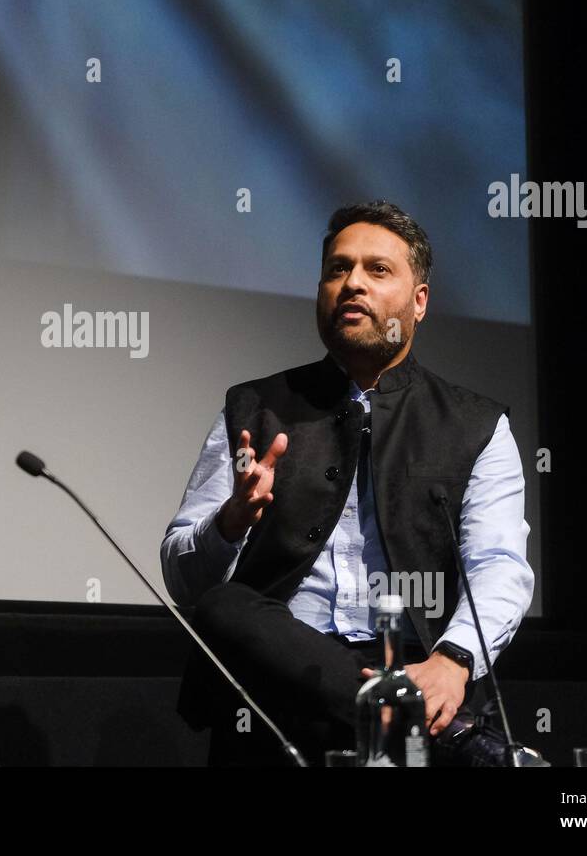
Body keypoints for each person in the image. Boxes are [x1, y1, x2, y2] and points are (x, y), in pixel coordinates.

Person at [161, 201, 534, 766]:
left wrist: (453, 661)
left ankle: (400, 711)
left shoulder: (477, 424)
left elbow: (499, 564)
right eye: (337, 269)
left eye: (377, 270)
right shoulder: (254, 409)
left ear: (420, 300)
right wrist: (230, 522)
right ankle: (436, 731)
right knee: (225, 607)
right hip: (280, 686)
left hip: (415, 664)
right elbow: (185, 579)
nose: (352, 282)